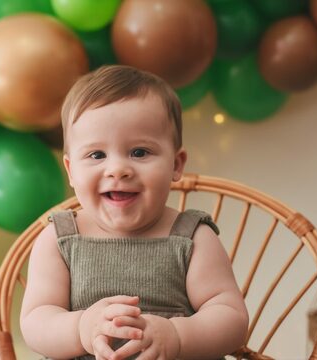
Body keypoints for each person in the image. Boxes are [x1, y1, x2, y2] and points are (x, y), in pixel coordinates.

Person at [20, 65, 248, 360]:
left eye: (139, 152)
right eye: (96, 155)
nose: (117, 170)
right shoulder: (60, 238)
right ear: (71, 170)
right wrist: (80, 328)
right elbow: (36, 321)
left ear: (176, 165)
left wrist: (178, 336)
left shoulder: (192, 237)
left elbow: (231, 319)